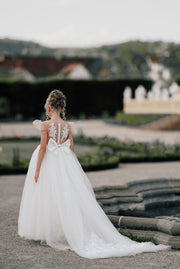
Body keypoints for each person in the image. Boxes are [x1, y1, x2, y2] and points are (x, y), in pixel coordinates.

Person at [18, 90, 170, 259]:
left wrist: (38, 169)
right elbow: (71, 149)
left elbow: (44, 149)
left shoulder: (45, 126)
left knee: (50, 195)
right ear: (62, 107)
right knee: (67, 196)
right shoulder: (67, 126)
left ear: (49, 106)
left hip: (49, 162)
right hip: (65, 162)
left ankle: (50, 231)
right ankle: (64, 229)